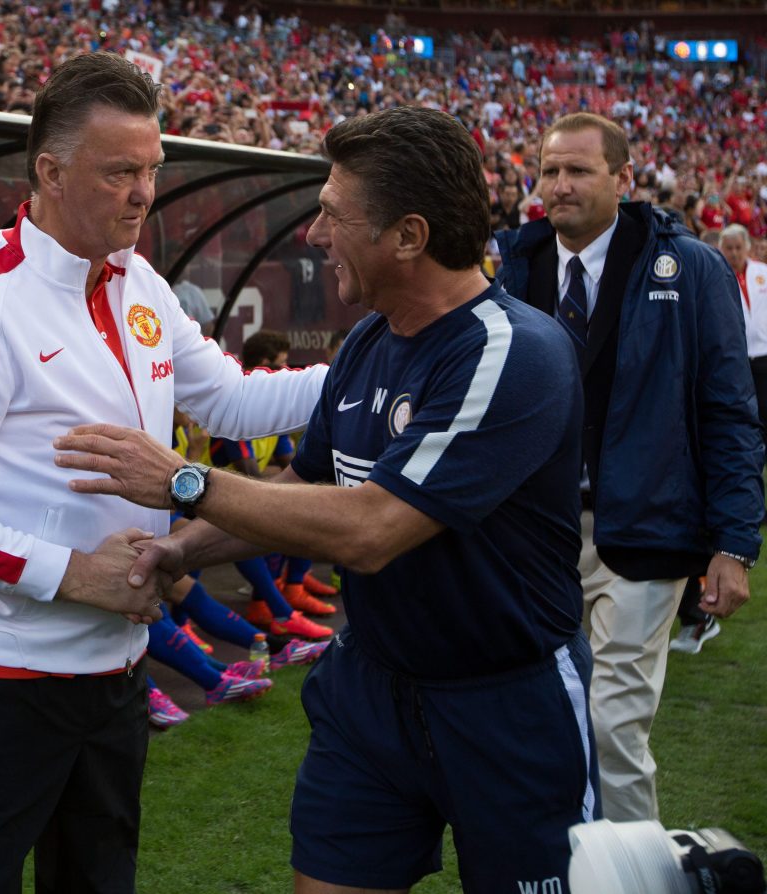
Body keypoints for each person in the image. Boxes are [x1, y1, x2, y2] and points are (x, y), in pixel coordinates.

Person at [55, 106, 599, 894]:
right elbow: (306, 485)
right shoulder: (373, 341)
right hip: (372, 689)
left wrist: (184, 481)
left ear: (408, 237)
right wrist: (177, 550)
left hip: (506, 703)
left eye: (333, 216)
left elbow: (373, 528)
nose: (313, 235)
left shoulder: (512, 353)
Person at [0, 52, 326, 894]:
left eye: (152, 169)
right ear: (49, 171)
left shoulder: (136, 280)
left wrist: (375, 370)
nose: (144, 193)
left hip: (113, 677)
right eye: (121, 171)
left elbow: (228, 401)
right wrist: (74, 574)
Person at [493, 112, 764, 822]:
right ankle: (558, 868)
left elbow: (729, 411)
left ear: (626, 179)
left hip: (643, 528)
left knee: (613, 727)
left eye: (579, 170)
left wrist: (733, 542)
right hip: (530, 537)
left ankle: (630, 875)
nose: (559, 185)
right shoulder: (508, 265)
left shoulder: (693, 267)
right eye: (549, 171)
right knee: (538, 725)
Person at [718, 223, 767, 453]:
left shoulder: (762, 272)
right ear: (722, 249)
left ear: (747, 247)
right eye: (729, 248)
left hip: (764, 352)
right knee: (747, 407)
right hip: (739, 355)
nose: (735, 253)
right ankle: (751, 448)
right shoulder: (716, 274)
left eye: (738, 247)